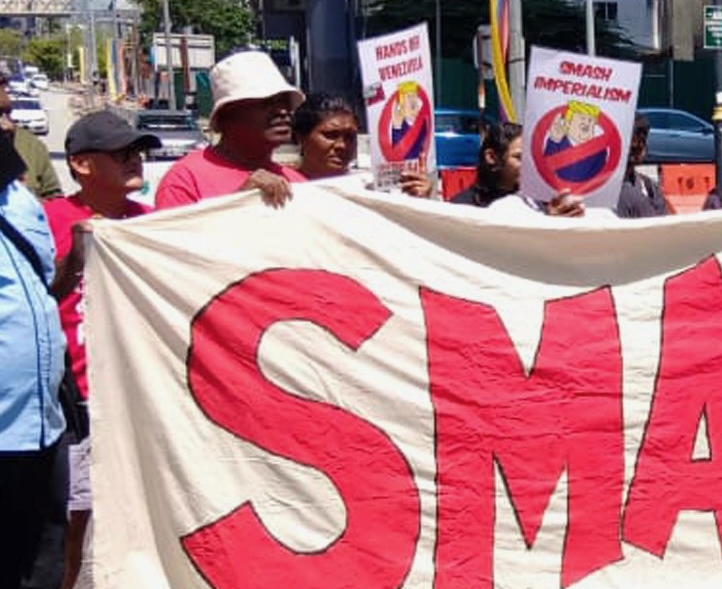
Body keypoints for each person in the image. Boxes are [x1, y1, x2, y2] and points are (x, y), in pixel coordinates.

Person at [42, 111, 161, 589]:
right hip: (76, 400)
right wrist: (72, 257)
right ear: (81, 165)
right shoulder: (48, 219)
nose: (136, 161)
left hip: (134, 395)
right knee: (74, 523)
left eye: (138, 152)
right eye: (122, 153)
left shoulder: (150, 224)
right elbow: (36, 297)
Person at [0, 125, 68, 589]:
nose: (8, 126)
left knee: (42, 558)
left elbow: (45, 290)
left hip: (43, 421)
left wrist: (78, 259)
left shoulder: (19, 201)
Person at [155, 51, 306, 210]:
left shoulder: (296, 183)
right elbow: (173, 234)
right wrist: (240, 200)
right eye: (266, 102)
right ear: (225, 117)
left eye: (285, 103)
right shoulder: (184, 181)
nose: (283, 112)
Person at [292, 95, 432, 198]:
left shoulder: (371, 191)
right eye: (330, 135)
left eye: (350, 137)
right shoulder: (283, 186)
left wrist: (420, 201)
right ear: (300, 137)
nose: (342, 145)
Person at [450, 122, 584, 216]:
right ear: (491, 157)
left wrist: (553, 222)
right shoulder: (462, 208)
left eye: (531, 158)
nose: (527, 165)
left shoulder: (541, 202)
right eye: (519, 157)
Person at [0, 82, 61, 200]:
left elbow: (53, 198)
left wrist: (26, 200)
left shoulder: (30, 145)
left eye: (5, 114)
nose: (6, 125)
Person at [616, 114, 669, 219]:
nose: (638, 146)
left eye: (642, 141)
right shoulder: (607, 191)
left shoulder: (650, 187)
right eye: (632, 145)